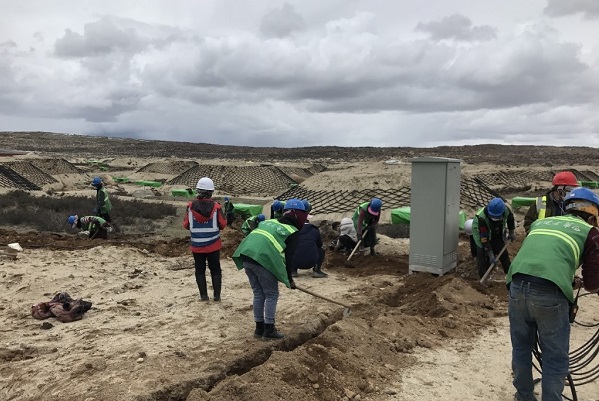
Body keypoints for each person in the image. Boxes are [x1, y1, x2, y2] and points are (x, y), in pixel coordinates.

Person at [506, 187, 599, 401]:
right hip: (549, 296)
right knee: (555, 357)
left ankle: (523, 396)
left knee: (521, 347)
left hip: (516, 286)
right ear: (592, 214)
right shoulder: (591, 233)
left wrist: (569, 280)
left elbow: (542, 258)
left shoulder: (541, 223)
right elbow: (593, 284)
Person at [232, 198, 308, 340]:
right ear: (298, 214)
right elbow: (289, 258)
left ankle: (259, 329)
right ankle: (269, 330)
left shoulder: (269, 222)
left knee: (258, 293)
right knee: (271, 294)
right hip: (262, 259)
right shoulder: (292, 231)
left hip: (246, 255)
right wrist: (289, 280)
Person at [183, 177, 227, 302]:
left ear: (198, 191)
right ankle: (217, 296)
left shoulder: (190, 206)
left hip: (197, 246)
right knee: (215, 270)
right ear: (211, 192)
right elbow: (223, 224)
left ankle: (203, 296)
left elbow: (186, 224)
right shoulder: (216, 207)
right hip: (213, 245)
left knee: (200, 270)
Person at [472, 197, 516, 279]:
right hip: (480, 233)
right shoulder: (481, 218)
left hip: (496, 231)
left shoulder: (506, 210)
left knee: (503, 252)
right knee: (482, 254)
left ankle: (510, 275)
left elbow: (510, 218)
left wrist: (511, 232)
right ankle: (483, 276)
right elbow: (484, 238)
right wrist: (490, 254)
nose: (494, 218)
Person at [523, 171, 578, 235]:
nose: (571, 193)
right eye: (569, 189)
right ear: (559, 189)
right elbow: (529, 222)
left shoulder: (573, 204)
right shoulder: (541, 202)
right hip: (544, 237)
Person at [291, 214, 327, 278]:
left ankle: (293, 271)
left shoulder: (293, 229)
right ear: (308, 220)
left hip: (295, 262)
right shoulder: (314, 230)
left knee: (290, 248)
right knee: (321, 250)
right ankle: (317, 270)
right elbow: (319, 244)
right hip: (311, 261)